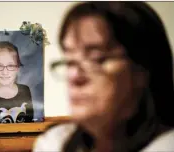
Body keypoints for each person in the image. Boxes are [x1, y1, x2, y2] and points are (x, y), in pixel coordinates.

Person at [33, 2, 174, 152]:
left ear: (143, 69)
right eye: (70, 62)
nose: (74, 77)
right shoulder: (54, 143)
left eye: (97, 58)